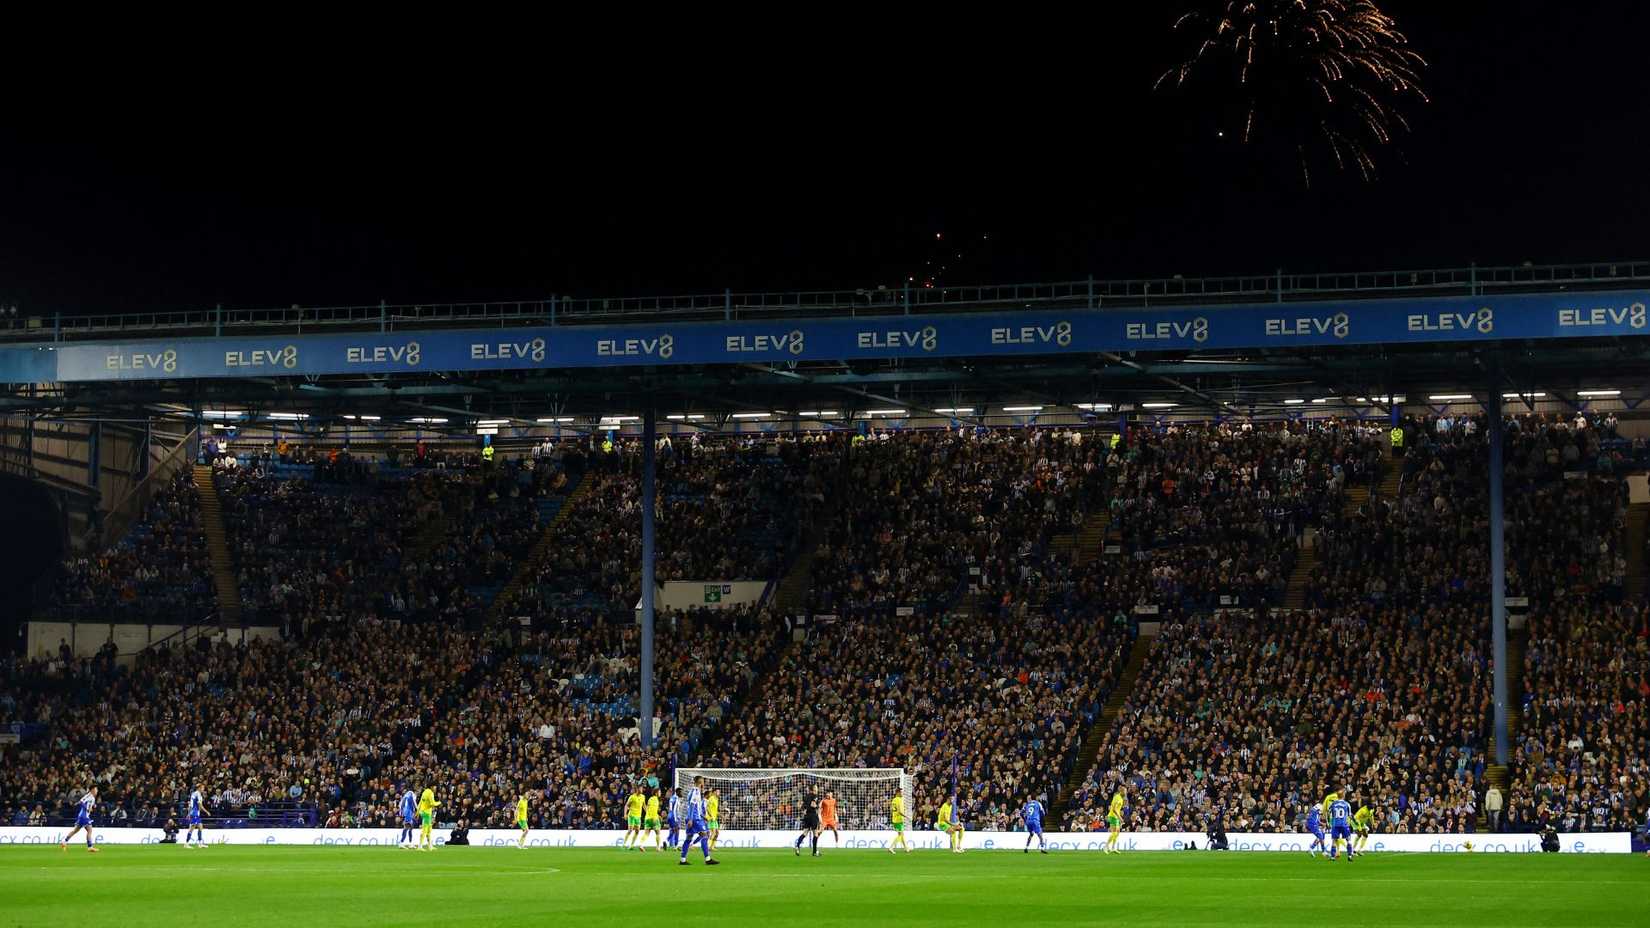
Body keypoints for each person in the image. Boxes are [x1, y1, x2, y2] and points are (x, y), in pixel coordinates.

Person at [677, 776, 718, 866]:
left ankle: (682, 860)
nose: (704, 783)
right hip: (694, 819)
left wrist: (703, 816)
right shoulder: (696, 792)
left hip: (692, 817)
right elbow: (692, 805)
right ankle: (708, 859)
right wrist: (692, 819)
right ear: (700, 782)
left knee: (688, 838)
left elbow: (696, 807)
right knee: (705, 834)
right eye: (703, 781)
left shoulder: (693, 791)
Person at [60, 788, 99, 853]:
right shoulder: (90, 796)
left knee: (75, 830)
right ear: (92, 790)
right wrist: (87, 808)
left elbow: (83, 802)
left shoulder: (91, 797)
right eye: (96, 790)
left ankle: (64, 842)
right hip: (84, 816)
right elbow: (82, 802)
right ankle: (90, 847)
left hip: (82, 816)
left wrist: (92, 806)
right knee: (89, 830)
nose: (97, 791)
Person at [1327, 795, 1354, 861]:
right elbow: (1350, 815)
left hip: (1335, 824)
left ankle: (1333, 857)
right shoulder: (1347, 804)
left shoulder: (1333, 804)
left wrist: (1329, 822)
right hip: (1344, 824)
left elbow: (1328, 812)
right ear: (1343, 796)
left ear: (1337, 797)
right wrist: (1349, 823)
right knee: (1348, 839)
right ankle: (1350, 855)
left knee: (1334, 840)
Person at [184, 785, 208, 849]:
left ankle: (200, 844)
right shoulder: (198, 794)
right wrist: (207, 812)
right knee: (192, 828)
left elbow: (191, 805)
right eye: (202, 788)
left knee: (200, 827)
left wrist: (188, 813)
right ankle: (186, 843)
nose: (203, 789)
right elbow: (200, 806)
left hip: (195, 813)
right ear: (199, 788)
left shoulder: (193, 794)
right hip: (195, 813)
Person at [1104, 788, 1125, 854]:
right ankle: (1106, 846)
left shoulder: (1118, 797)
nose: (1126, 793)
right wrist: (1120, 818)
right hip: (1113, 816)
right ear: (1121, 791)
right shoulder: (1119, 798)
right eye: (1125, 791)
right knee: (1114, 832)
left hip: (1115, 816)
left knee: (1117, 832)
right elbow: (1114, 809)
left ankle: (1113, 847)